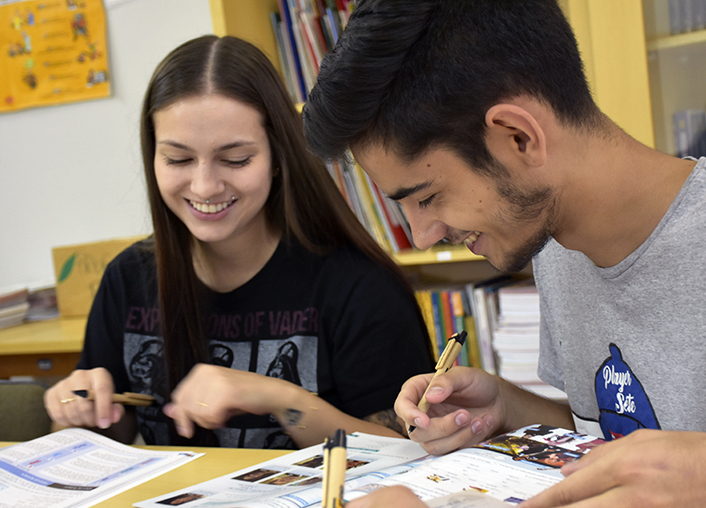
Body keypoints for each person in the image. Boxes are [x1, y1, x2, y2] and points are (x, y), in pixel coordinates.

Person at [301, 0, 706, 506]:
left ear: (519, 137)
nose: (422, 236)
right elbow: (609, 437)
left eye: (427, 197)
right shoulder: (557, 250)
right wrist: (506, 409)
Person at [44, 35, 433, 449]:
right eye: (178, 159)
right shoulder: (128, 278)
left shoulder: (358, 287)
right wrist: (77, 412)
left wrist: (279, 398)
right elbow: (100, 442)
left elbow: (409, 450)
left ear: (279, 157)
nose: (205, 186)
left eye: (235, 159)